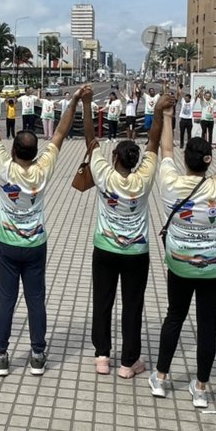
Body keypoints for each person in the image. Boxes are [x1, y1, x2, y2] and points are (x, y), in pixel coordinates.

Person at [0, 79, 81, 377]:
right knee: (36, 299)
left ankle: (1, 355)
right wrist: (73, 101)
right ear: (35, 152)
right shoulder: (42, 169)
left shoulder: (3, 166)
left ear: (12, 150)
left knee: (6, 299)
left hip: (7, 245)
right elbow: (60, 132)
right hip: (36, 243)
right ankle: (37, 354)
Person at [149, 94, 216, 409]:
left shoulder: (171, 181)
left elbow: (165, 149)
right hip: (215, 266)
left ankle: (161, 378)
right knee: (208, 323)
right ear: (208, 161)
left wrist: (169, 116)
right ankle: (201, 387)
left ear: (185, 159)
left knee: (174, 316)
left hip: (180, 263)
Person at [82, 86, 164, 379]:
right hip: (136, 253)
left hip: (104, 249)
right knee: (132, 305)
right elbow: (153, 143)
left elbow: (91, 141)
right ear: (135, 161)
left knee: (102, 302)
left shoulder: (104, 173)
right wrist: (158, 112)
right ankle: (129, 363)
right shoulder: (144, 178)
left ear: (114, 157)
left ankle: (102, 356)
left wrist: (88, 102)